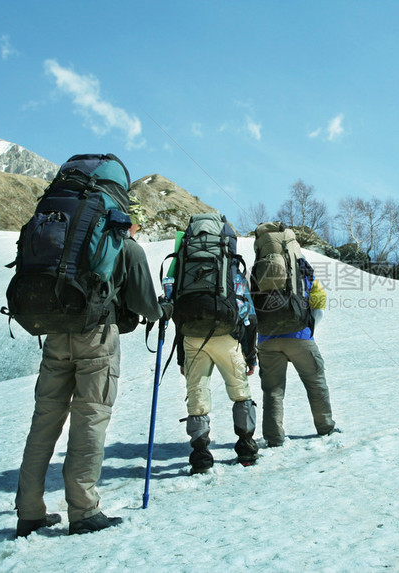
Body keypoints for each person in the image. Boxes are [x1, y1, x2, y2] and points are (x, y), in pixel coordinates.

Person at [15, 195, 172, 537]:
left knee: (44, 422)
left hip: (56, 333)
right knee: (90, 418)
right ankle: (84, 511)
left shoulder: (70, 239)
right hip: (97, 338)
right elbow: (144, 302)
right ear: (129, 221)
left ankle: (29, 513)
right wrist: (163, 311)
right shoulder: (126, 246)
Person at [176, 268, 258, 474]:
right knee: (239, 391)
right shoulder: (232, 269)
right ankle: (246, 446)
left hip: (192, 337)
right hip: (227, 336)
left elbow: (177, 313)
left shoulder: (185, 267)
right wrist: (250, 356)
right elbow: (248, 314)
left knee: (197, 391)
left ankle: (200, 454)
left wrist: (181, 359)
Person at [253, 254, 338, 448]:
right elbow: (320, 306)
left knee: (273, 390)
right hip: (300, 337)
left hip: (267, 340)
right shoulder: (303, 271)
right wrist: (308, 331)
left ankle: (274, 438)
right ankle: (326, 427)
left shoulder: (259, 271)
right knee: (316, 382)